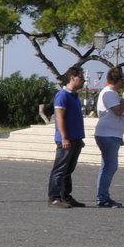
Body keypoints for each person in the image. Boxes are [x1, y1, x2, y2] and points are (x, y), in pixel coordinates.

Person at [47, 66, 87, 208]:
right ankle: (55, 197)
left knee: (68, 170)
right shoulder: (62, 95)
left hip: (75, 138)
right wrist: (64, 137)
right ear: (72, 77)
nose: (84, 80)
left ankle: (66, 196)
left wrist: (79, 138)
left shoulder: (75, 96)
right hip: (66, 139)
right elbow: (60, 117)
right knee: (60, 169)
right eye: (81, 77)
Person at [94, 66, 124, 208]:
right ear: (118, 80)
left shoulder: (110, 93)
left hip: (110, 134)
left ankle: (103, 196)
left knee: (107, 166)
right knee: (110, 166)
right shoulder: (109, 93)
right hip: (107, 134)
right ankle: (103, 198)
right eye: (122, 80)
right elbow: (118, 111)